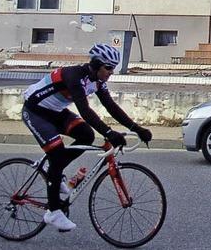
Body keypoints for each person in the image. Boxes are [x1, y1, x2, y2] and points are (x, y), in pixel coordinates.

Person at [21, 43, 152, 231]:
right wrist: (108, 133)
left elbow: (111, 107)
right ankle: (53, 212)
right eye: (108, 68)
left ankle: (54, 170)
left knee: (86, 135)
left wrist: (137, 129)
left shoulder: (98, 81)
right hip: (36, 112)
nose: (111, 72)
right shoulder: (73, 76)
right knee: (57, 153)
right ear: (97, 64)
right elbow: (85, 111)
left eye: (113, 68)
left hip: (55, 112)